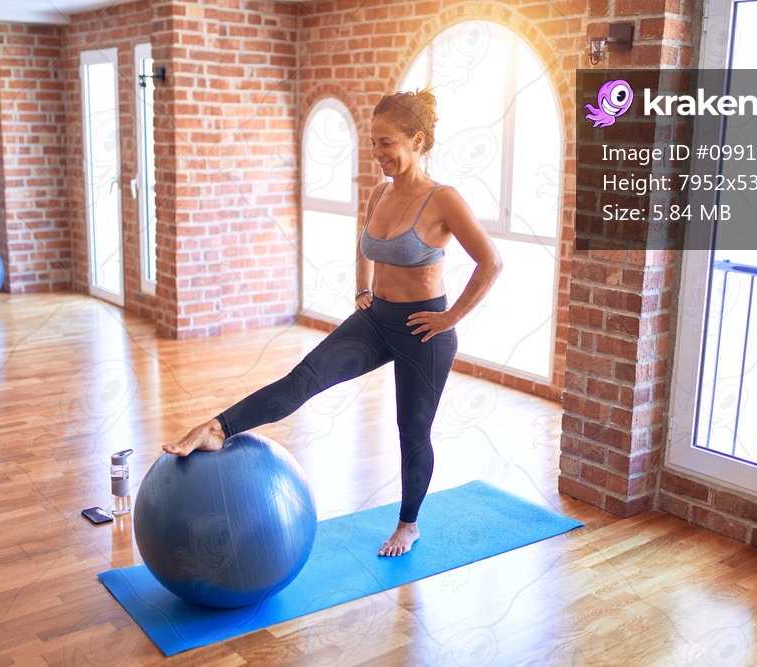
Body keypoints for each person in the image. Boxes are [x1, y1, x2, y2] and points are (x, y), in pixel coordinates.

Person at [164, 87, 503, 557]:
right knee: (303, 379)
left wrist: (450, 318)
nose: (377, 153)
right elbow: (365, 245)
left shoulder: (443, 199)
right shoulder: (380, 194)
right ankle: (219, 428)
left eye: (387, 142)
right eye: (373, 141)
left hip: (422, 331)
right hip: (376, 319)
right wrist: (363, 290)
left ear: (418, 140)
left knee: (412, 428)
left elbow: (490, 262)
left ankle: (408, 525)